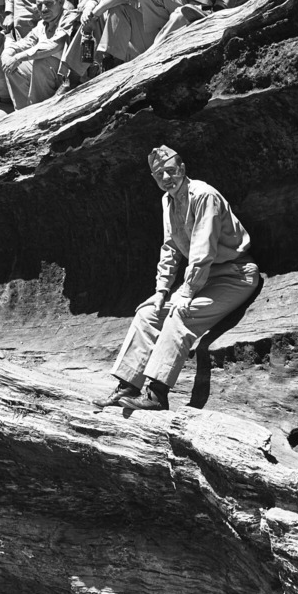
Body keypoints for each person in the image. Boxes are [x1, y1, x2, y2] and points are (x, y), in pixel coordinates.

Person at [101, 145, 260, 412]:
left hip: (235, 275)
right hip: (206, 278)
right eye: (159, 174)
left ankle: (157, 394)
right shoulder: (169, 200)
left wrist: (185, 292)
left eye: (170, 171)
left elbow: (202, 250)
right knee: (148, 314)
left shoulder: (204, 195)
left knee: (180, 315)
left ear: (183, 169)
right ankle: (128, 385)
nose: (166, 178)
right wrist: (162, 291)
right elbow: (171, 248)